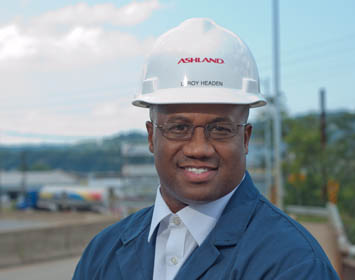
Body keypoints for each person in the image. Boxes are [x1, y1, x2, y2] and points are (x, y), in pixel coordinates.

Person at [74, 18, 339, 280]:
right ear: (152, 137)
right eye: (179, 128)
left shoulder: (294, 265)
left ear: (245, 139)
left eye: (220, 129)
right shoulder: (102, 253)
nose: (199, 149)